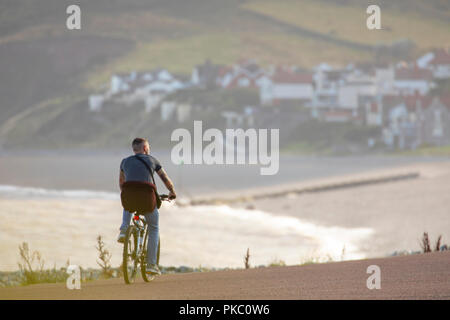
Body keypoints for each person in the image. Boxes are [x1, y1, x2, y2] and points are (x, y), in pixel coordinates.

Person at [118, 137, 176, 275]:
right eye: (148, 147)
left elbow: (121, 183)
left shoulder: (124, 162)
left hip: (130, 198)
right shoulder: (152, 160)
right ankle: (151, 265)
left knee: (128, 199)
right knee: (154, 228)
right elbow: (165, 178)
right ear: (145, 148)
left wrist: (127, 193)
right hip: (147, 200)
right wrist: (172, 191)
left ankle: (124, 229)